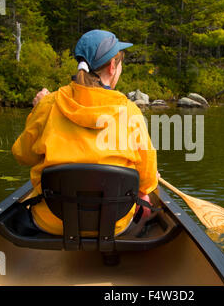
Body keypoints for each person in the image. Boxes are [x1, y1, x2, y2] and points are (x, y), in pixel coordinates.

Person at [12, 30, 158, 236]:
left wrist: (36, 110)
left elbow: (23, 155)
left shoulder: (49, 104)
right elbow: (147, 180)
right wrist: (148, 184)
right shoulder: (130, 111)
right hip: (114, 224)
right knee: (145, 196)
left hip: (53, 222)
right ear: (112, 66)